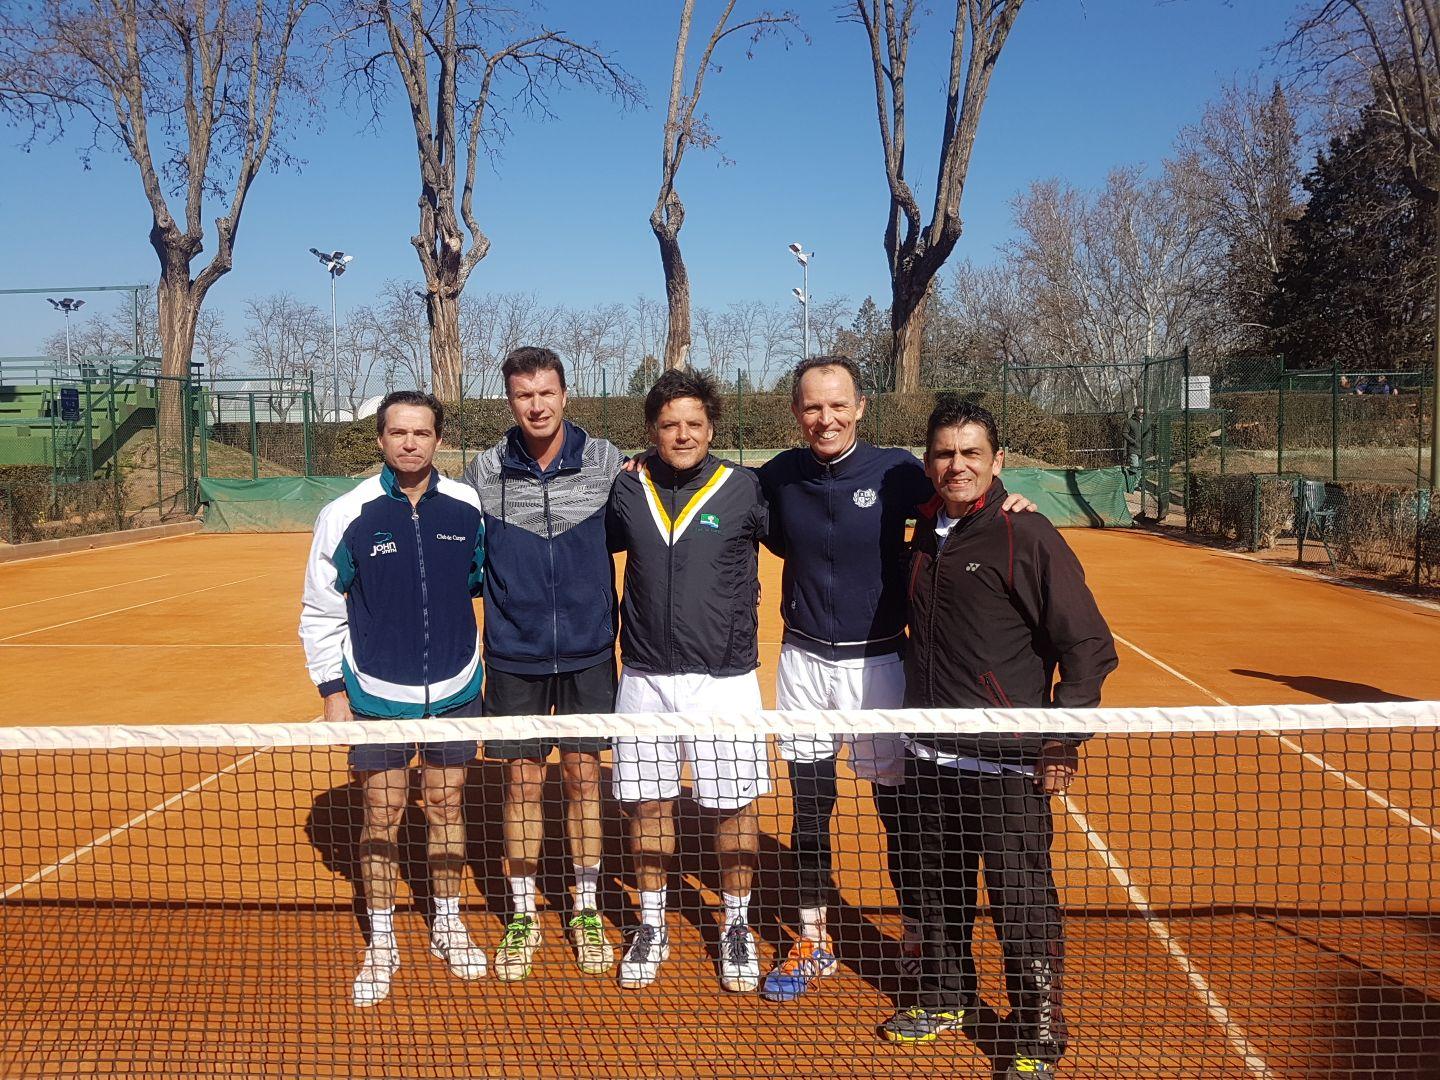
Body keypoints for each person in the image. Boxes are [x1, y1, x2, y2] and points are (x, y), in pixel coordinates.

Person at [755, 356, 1035, 1003]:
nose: (826, 418)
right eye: (813, 407)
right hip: (802, 665)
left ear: (861, 408)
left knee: (898, 811)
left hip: (880, 665)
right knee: (810, 810)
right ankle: (812, 936)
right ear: (797, 412)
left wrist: (1010, 495)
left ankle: (915, 936)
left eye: (838, 405)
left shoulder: (899, 473)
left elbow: (966, 496)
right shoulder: (780, 476)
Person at [883, 398, 1117, 1080]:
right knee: (938, 887)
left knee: (1019, 896)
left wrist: (1059, 741)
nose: (957, 466)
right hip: (929, 754)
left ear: (997, 462)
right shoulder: (923, 529)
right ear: (929, 461)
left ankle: (1038, 1027)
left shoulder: (1030, 535)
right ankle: (946, 995)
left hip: (1007, 760)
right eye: (945, 454)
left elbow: (1089, 648)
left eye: (970, 454)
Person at [300, 390, 488, 1008]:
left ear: (438, 439)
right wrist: (333, 692)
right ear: (380, 439)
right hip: (375, 695)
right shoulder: (344, 513)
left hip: (457, 687)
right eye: (398, 433)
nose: (411, 443)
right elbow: (321, 610)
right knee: (380, 815)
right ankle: (381, 940)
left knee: (445, 809)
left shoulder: (467, 506)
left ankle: (447, 920)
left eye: (423, 433)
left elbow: (482, 584)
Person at [606, 368, 771, 994]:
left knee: (734, 807)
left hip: (724, 680)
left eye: (694, 424)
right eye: (669, 424)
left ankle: (735, 924)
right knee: (649, 804)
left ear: (712, 427)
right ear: (652, 429)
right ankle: (651, 924)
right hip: (645, 676)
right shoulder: (628, 488)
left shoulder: (744, 488)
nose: (682, 434)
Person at [463, 346, 625, 981]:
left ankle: (584, 906)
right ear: (510, 400)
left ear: (565, 395)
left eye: (546, 392)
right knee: (522, 784)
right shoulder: (483, 470)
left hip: (588, 652)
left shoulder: (610, 463)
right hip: (513, 655)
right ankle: (523, 911)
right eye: (524, 395)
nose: (536, 405)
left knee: (585, 780)